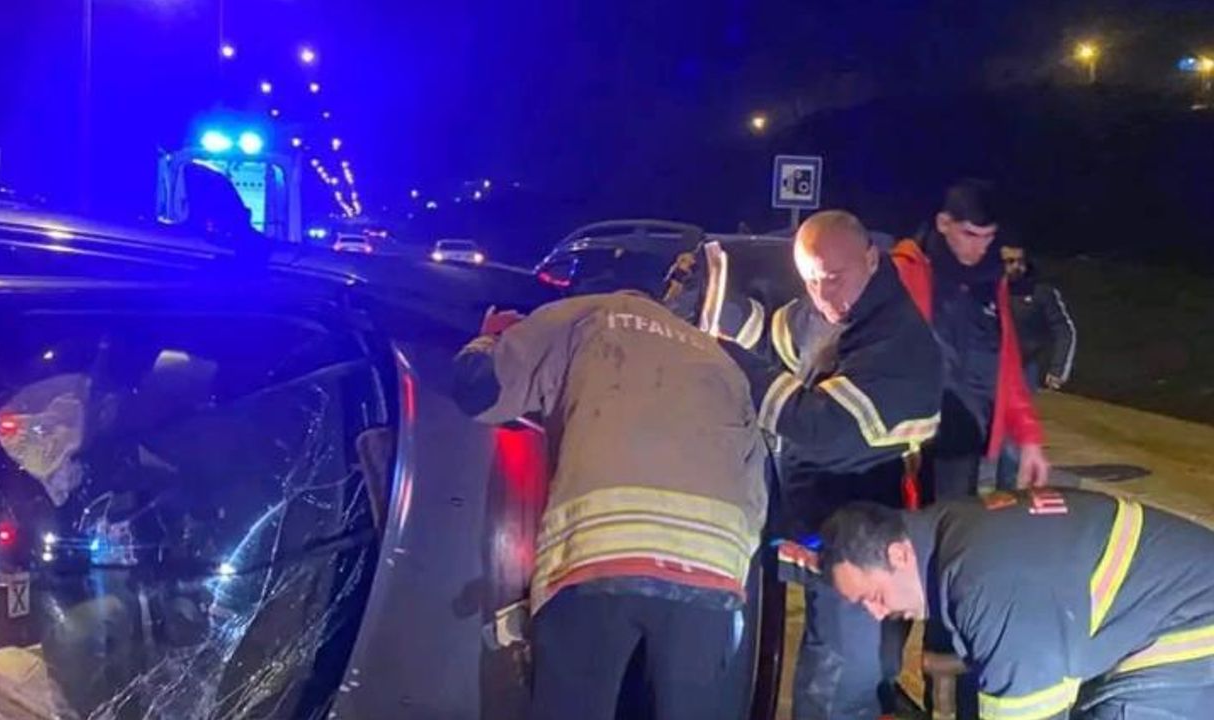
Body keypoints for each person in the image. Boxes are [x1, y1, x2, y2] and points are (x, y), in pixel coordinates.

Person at [451, 288, 768, 720]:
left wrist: (490, 338)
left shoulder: (581, 316)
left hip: (599, 555)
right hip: (712, 570)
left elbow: (480, 390)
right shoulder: (721, 360)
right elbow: (755, 492)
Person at [712, 211, 944, 720]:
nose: (823, 294)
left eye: (835, 277)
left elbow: (823, 428)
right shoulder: (835, 311)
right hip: (830, 532)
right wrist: (717, 308)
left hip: (872, 547)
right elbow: (774, 338)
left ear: (872, 259)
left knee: (841, 682)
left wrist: (731, 361)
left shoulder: (898, 341)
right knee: (842, 670)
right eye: (812, 281)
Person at [820, 489, 1214, 720]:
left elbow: (1028, 708)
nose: (877, 613)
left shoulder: (987, 585)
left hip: (1191, 627)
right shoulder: (945, 533)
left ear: (898, 554)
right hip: (1161, 609)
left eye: (874, 597)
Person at [890, 179, 1050, 500]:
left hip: (963, 440)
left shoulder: (991, 284)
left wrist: (1029, 438)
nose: (980, 248)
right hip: (904, 437)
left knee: (954, 522)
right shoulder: (905, 271)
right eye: (970, 235)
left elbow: (1006, 368)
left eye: (988, 237)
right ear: (943, 223)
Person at [995, 244, 1077, 490]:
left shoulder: (1042, 292)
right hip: (984, 369)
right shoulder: (984, 288)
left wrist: (1058, 368)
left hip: (1022, 370)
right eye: (1009, 262)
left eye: (1020, 261)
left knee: (1013, 433)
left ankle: (1009, 489)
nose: (1016, 267)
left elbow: (1064, 330)